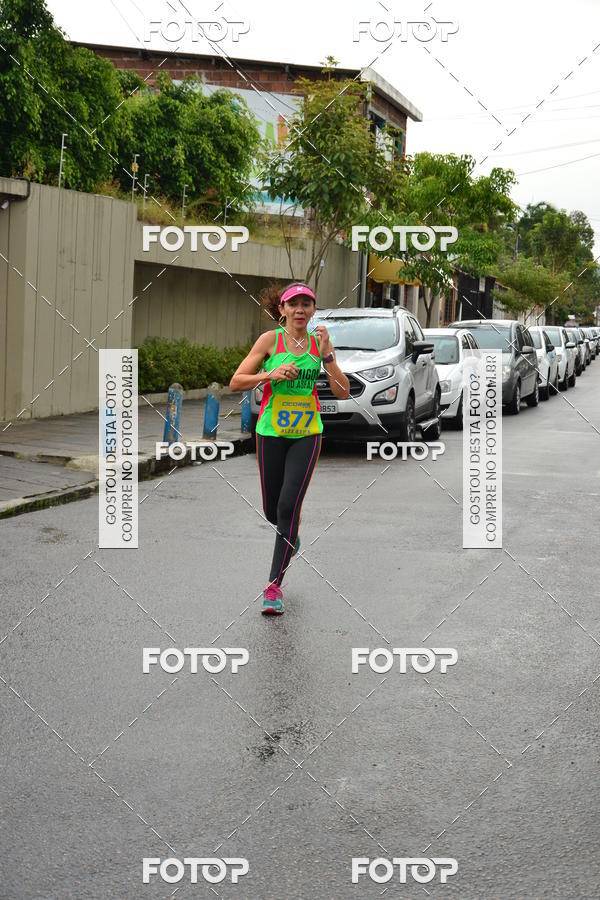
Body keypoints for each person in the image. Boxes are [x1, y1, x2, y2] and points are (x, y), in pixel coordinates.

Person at [229, 282, 350, 615]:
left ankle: (273, 587)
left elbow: (342, 391)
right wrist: (270, 374)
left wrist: (327, 357)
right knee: (272, 511)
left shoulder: (319, 343)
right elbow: (236, 381)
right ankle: (290, 537)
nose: (300, 310)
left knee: (288, 506)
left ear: (313, 311)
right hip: (270, 432)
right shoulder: (271, 341)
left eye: (306, 304)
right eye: (293, 304)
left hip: (307, 434)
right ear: (281, 310)